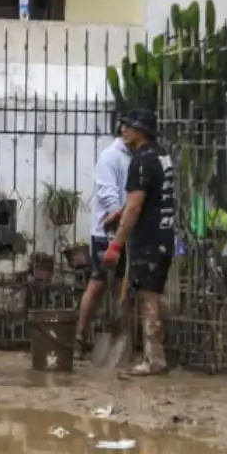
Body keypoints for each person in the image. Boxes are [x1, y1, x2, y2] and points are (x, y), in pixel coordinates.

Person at [102, 108, 177, 376]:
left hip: (148, 238)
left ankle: (154, 359)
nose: (123, 130)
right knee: (151, 294)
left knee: (149, 297)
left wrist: (115, 245)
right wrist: (120, 213)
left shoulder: (141, 161)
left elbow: (135, 207)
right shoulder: (161, 155)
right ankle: (154, 354)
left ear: (141, 131)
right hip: (164, 235)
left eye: (129, 126)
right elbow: (150, 197)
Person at [75, 127, 134, 350]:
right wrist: (120, 220)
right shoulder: (110, 156)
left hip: (128, 230)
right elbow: (108, 193)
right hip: (106, 232)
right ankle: (79, 336)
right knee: (98, 283)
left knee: (124, 285)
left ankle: (122, 339)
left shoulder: (136, 155)